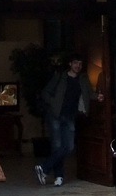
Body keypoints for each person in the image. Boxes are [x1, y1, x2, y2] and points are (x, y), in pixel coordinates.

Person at [35, 55, 103, 187]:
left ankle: (44, 168)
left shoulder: (83, 79)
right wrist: (53, 104)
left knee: (69, 147)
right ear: (70, 64)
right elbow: (45, 92)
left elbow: (89, 94)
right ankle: (59, 176)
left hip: (70, 116)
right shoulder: (60, 77)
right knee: (57, 146)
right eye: (76, 63)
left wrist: (98, 97)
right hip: (56, 115)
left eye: (80, 64)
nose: (78, 66)